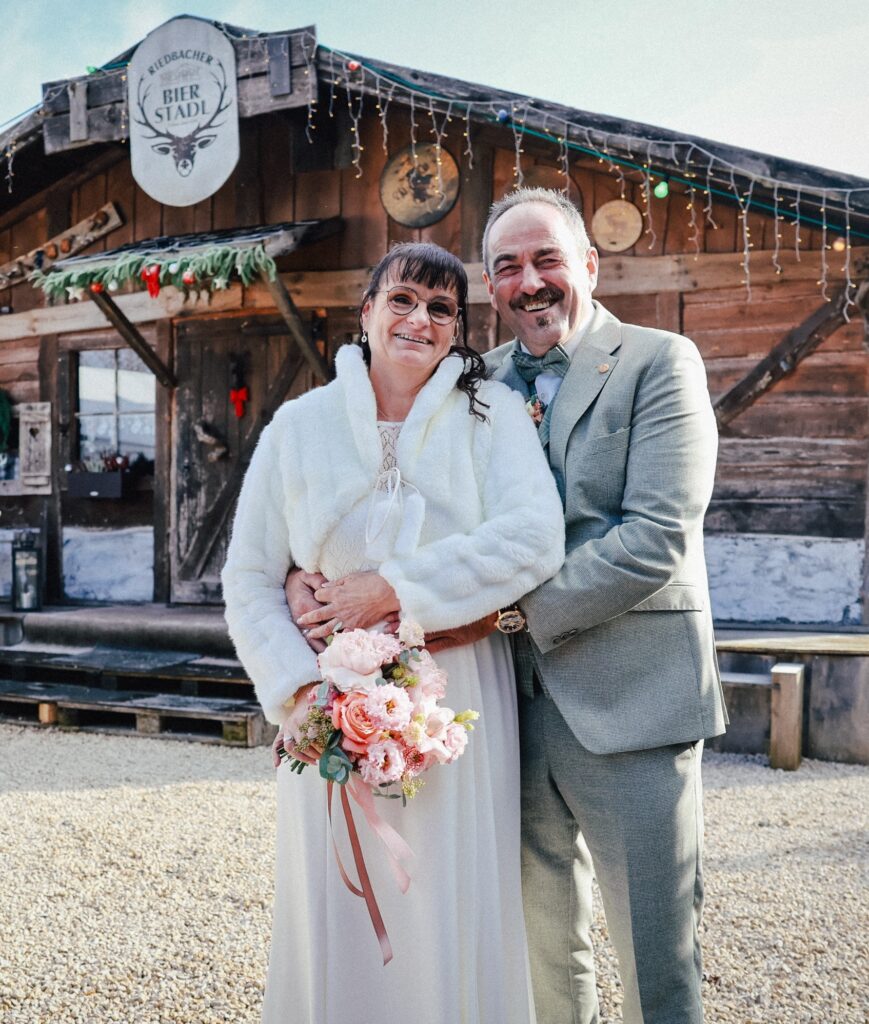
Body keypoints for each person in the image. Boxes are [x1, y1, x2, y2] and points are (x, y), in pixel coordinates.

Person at [221, 241, 564, 1024]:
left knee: (447, 885)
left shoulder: (493, 415)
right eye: (402, 299)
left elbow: (533, 537)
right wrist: (297, 691)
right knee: (337, 894)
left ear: (457, 331)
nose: (419, 319)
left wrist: (394, 590)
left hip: (458, 685)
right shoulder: (297, 426)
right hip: (329, 689)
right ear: (366, 312)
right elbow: (247, 576)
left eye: (441, 308)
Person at [481, 187, 728, 1024]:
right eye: (508, 266)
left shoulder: (661, 359)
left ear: (587, 265)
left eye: (546, 258)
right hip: (504, 707)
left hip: (633, 697)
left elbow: (656, 535)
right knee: (543, 953)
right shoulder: (472, 384)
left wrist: (510, 613)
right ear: (491, 289)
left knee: (658, 959)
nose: (530, 281)